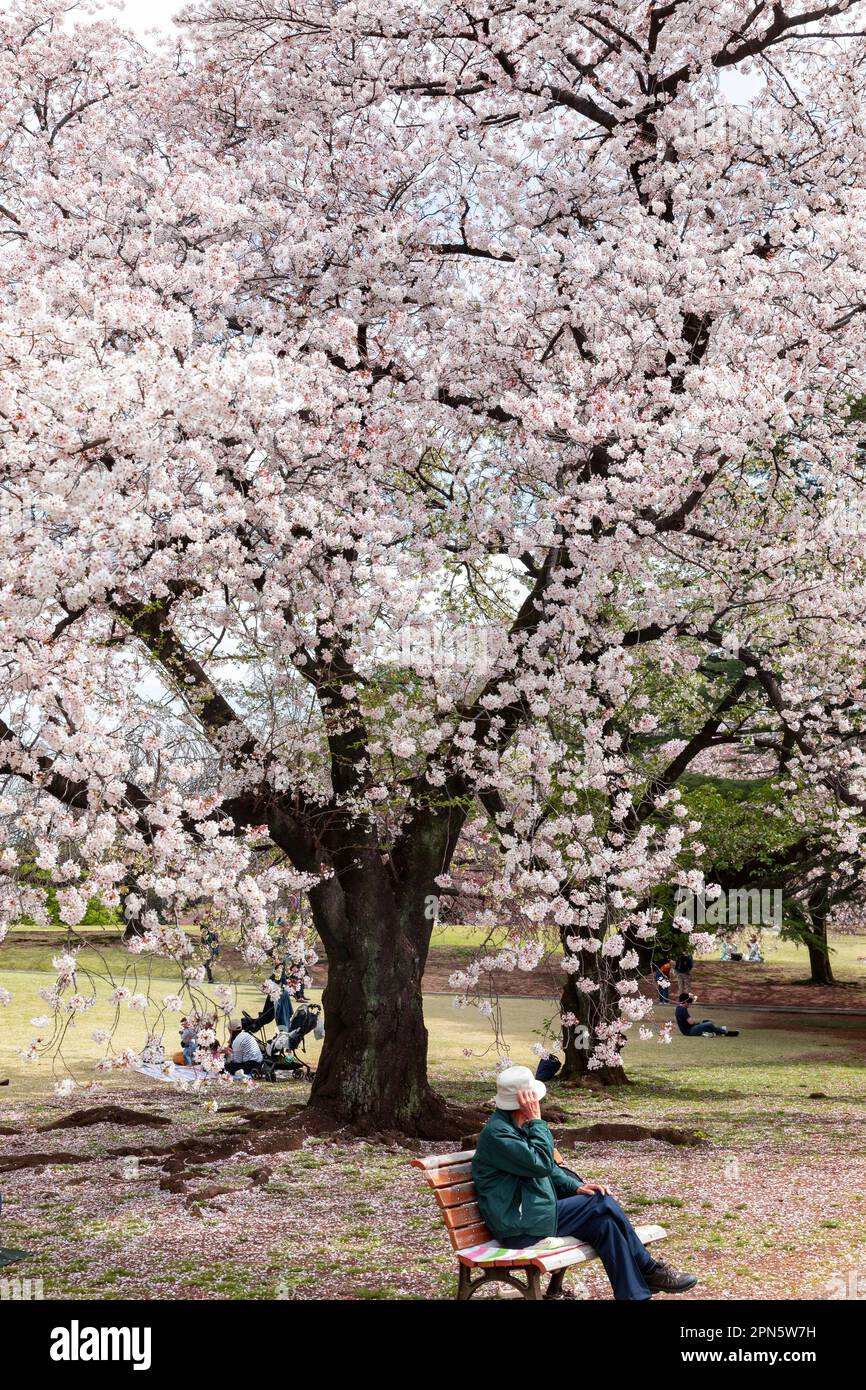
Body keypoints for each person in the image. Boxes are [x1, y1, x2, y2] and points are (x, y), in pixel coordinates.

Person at [472, 1065, 697, 1301]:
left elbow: (546, 1169)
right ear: (525, 1102)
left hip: (532, 1216)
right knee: (600, 1202)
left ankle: (635, 1296)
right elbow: (540, 1163)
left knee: (605, 1224)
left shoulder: (516, 1126)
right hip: (520, 1227)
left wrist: (574, 1187)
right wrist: (538, 1121)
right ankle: (649, 1268)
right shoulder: (499, 1135)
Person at [675, 992, 739, 1038]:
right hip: (689, 1031)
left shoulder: (678, 1008)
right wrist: (696, 1023)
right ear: (685, 1002)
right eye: (688, 1003)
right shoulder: (683, 1009)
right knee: (709, 1024)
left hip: (687, 1030)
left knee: (707, 1022)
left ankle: (717, 1031)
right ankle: (725, 1032)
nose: (689, 1005)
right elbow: (691, 1022)